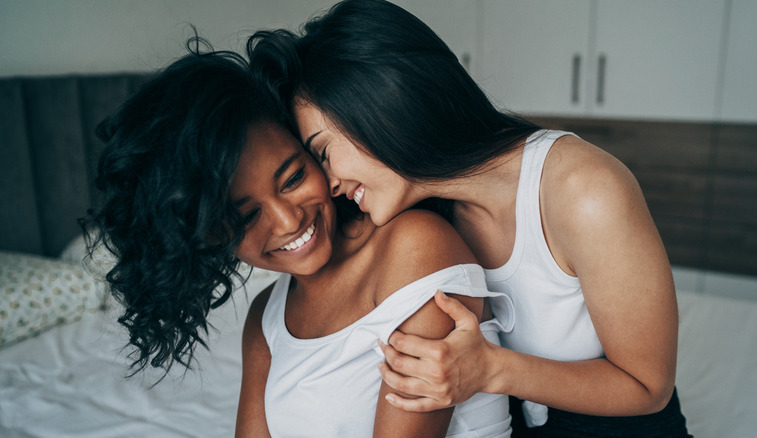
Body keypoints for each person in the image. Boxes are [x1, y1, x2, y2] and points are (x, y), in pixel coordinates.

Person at [246, 0, 692, 436]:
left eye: (323, 153)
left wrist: (494, 370)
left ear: (382, 105)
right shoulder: (426, 216)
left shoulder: (584, 190)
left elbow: (648, 387)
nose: (331, 185)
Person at [83, 39, 515, 437]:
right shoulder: (266, 319)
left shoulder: (415, 247)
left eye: (292, 177)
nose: (288, 221)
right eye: (248, 215)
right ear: (207, 236)